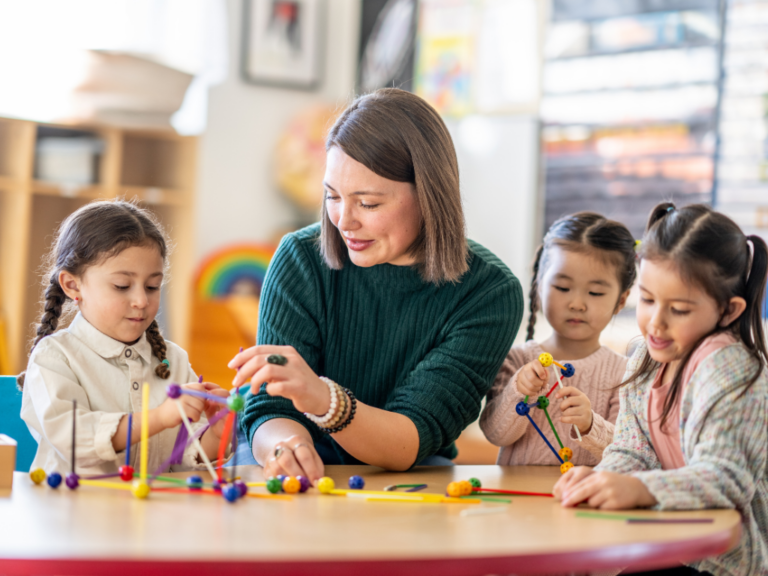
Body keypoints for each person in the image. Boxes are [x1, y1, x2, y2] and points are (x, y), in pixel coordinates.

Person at [229, 88, 523, 481]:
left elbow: (411, 438)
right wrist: (288, 448)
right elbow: (270, 409)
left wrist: (323, 399)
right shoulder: (300, 257)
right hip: (296, 446)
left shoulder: (489, 293)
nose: (343, 221)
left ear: (430, 195)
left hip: (407, 461)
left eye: (368, 203)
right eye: (332, 196)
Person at [554, 203, 768, 576]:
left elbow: (727, 479)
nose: (655, 323)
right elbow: (631, 450)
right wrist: (604, 478)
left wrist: (640, 489)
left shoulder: (731, 368)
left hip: (725, 562)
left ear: (728, 311)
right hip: (671, 546)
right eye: (648, 299)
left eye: (679, 309)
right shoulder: (645, 358)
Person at [19, 200, 229, 475]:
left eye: (152, 286)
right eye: (122, 286)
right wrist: (159, 417)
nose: (141, 300)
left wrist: (216, 433)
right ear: (72, 285)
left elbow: (183, 459)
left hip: (153, 504)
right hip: (70, 503)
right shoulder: (54, 358)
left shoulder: (174, 360)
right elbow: (74, 440)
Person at [481, 212, 636, 466]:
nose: (577, 304)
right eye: (563, 288)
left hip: (584, 490)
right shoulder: (516, 359)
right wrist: (519, 390)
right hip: (518, 491)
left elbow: (628, 454)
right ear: (539, 287)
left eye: (595, 292)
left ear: (620, 301)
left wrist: (590, 425)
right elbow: (495, 434)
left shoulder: (624, 374)